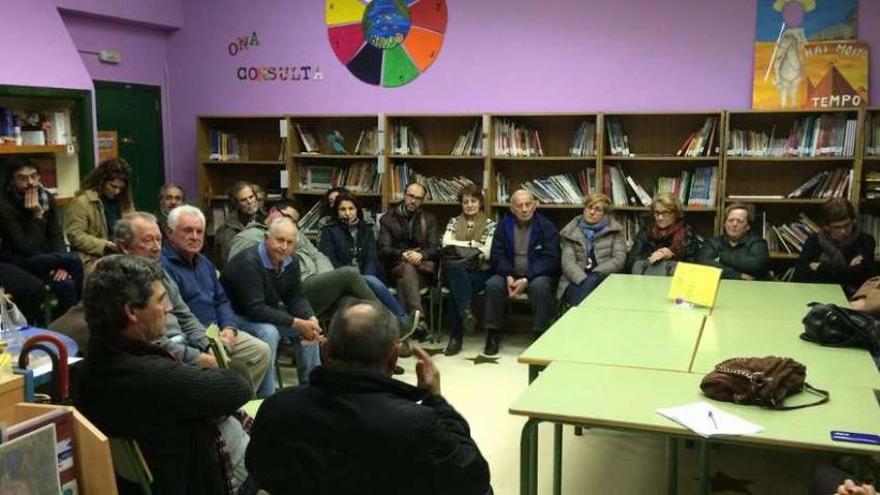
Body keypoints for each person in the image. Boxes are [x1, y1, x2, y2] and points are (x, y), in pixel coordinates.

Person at [245, 300, 492, 495]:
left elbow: (258, 469)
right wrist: (436, 400)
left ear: (325, 350)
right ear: (393, 357)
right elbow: (475, 478)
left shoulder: (276, 407)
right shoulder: (416, 423)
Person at [76, 255, 252, 494]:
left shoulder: (90, 366)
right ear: (131, 311)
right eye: (160, 301)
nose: (169, 308)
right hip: (188, 480)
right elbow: (239, 385)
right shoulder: (151, 376)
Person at [115, 212, 270, 393]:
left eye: (158, 240)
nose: (156, 247)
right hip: (162, 355)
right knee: (237, 368)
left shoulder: (169, 269)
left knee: (258, 351)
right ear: (125, 247)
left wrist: (210, 344)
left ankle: (241, 407)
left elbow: (187, 314)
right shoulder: (122, 281)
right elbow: (154, 342)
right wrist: (200, 355)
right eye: (148, 241)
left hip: (197, 336)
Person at [161, 205, 277, 398]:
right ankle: (229, 403)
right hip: (191, 336)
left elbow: (221, 299)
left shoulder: (204, 262)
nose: (195, 236)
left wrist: (229, 328)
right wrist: (208, 341)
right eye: (188, 230)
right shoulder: (164, 267)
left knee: (260, 351)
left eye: (199, 231)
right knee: (227, 366)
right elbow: (179, 318)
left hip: (218, 330)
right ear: (170, 233)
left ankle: (240, 403)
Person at [226, 200, 381, 321]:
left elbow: (318, 255)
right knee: (349, 274)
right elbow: (240, 276)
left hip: (311, 284)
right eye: (287, 217)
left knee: (349, 301)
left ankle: (350, 352)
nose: (285, 245)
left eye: (294, 221)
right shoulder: (250, 236)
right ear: (273, 211)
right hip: (288, 293)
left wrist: (324, 279)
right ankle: (391, 327)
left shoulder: (294, 233)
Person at [221, 218, 322, 386]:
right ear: (267, 238)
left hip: (263, 311)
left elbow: (295, 297)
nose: (284, 247)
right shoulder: (248, 262)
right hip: (234, 316)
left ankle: (311, 387)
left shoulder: (292, 261)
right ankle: (266, 395)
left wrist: (309, 317)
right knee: (269, 332)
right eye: (280, 240)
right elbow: (255, 309)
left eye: (290, 243)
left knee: (310, 331)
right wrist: (296, 323)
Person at [319, 193, 417, 333]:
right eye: (343, 209)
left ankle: (396, 327)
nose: (347, 213)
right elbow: (330, 259)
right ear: (337, 211)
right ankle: (402, 321)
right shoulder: (329, 230)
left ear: (357, 210)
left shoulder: (366, 229)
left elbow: (371, 257)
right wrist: (355, 278)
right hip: (341, 277)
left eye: (351, 208)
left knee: (371, 279)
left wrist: (364, 279)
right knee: (371, 282)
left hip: (366, 276)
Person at [0, 158, 83, 316]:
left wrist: (61, 264)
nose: (30, 182)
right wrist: (37, 216)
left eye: (34, 176)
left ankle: (63, 329)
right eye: (22, 178)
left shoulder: (45, 197)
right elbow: (25, 247)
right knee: (74, 261)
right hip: (17, 261)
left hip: (44, 258)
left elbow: (55, 235)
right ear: (11, 180)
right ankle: (77, 319)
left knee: (67, 284)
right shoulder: (4, 205)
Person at [484, 189, 560, 355]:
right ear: (512, 209)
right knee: (492, 285)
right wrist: (509, 275)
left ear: (534, 206)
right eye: (519, 206)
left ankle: (540, 334)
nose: (524, 209)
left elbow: (551, 259)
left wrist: (526, 278)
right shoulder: (504, 226)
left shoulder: (546, 226)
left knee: (541, 287)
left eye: (528, 205)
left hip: (536, 275)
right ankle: (492, 333)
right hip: (509, 274)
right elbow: (497, 255)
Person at [439, 184, 497, 356]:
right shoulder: (454, 222)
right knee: (457, 270)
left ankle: (456, 338)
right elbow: (445, 245)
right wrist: (473, 246)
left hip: (479, 272)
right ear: (461, 204)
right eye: (465, 202)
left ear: (480, 203)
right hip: (454, 271)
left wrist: (459, 248)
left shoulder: (490, 224)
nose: (469, 205)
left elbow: (487, 252)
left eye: (473, 201)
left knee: (455, 292)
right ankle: (466, 312)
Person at [378, 182, 438, 347]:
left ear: (422, 201)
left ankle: (403, 338)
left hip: (421, 270)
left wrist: (421, 254)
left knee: (403, 281)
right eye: (411, 196)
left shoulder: (429, 219)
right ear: (404, 195)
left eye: (418, 198)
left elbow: (435, 248)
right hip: (395, 267)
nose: (414, 201)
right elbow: (383, 249)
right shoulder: (387, 219)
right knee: (405, 269)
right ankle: (420, 319)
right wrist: (402, 254)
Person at [794, 199, 877, 297]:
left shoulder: (865, 241)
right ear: (826, 226)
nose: (843, 231)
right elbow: (800, 276)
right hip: (817, 295)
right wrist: (847, 269)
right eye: (837, 227)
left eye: (847, 225)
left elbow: (860, 275)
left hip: (855, 298)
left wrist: (821, 267)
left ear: (853, 222)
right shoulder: (814, 241)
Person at [557, 192, 625, 307]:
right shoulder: (570, 231)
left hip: (604, 279)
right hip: (575, 280)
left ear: (605, 214)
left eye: (598, 210)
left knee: (596, 293)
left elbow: (619, 259)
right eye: (589, 207)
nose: (592, 212)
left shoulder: (615, 231)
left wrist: (596, 274)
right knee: (583, 292)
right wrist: (584, 280)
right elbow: (567, 263)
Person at [64, 157, 134, 267]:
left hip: (121, 255)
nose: (117, 191)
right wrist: (104, 245)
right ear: (101, 182)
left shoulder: (125, 202)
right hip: (93, 258)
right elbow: (75, 235)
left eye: (121, 188)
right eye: (113, 186)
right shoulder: (82, 202)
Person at [628, 193, 701, 276]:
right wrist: (651, 258)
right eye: (657, 212)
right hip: (647, 278)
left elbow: (694, 267)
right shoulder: (645, 231)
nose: (660, 218)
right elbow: (630, 262)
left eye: (665, 213)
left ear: (676, 213)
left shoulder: (687, 233)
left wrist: (673, 256)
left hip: (675, 281)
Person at [695, 203, 769, 280]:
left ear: (747, 226)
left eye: (739, 221)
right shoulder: (712, 243)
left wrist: (721, 257)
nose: (734, 224)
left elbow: (757, 266)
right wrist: (739, 275)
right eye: (730, 220)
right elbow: (704, 265)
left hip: (751, 288)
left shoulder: (758, 243)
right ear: (724, 224)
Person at [216, 181, 263, 262]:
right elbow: (229, 263)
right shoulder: (227, 231)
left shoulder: (264, 219)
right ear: (236, 205)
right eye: (243, 200)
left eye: (251, 197)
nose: (249, 202)